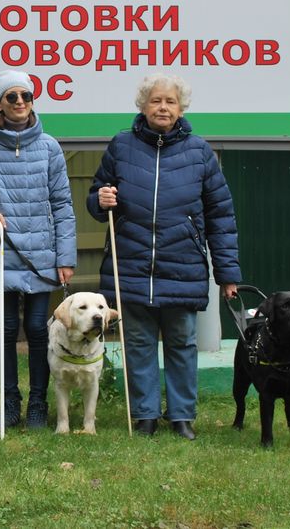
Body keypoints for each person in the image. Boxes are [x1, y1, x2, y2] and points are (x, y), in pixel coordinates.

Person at [86, 73, 240, 440]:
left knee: (183, 344)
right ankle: (145, 416)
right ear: (143, 105)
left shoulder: (199, 151)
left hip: (182, 266)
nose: (163, 107)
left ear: (181, 108)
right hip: (131, 263)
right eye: (156, 100)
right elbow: (96, 199)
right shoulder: (121, 146)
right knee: (138, 344)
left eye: (170, 102)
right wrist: (100, 199)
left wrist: (228, 272)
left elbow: (221, 215)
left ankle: (182, 416)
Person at [0, 70, 76, 429]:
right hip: (2, 251)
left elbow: (62, 204)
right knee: (6, 328)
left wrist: (66, 257)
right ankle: (8, 402)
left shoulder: (50, 147)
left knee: (39, 329)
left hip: (41, 253)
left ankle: (38, 405)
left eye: (26, 96)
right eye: (11, 96)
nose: (19, 103)